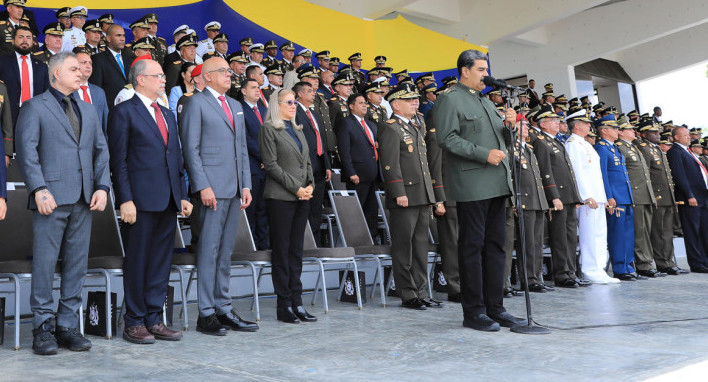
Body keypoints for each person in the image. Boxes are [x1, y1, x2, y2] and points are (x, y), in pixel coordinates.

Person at [16, 52, 110, 355]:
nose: (81, 73)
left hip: (84, 198)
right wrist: (39, 189)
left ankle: (67, 326)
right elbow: (27, 152)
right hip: (51, 199)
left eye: (81, 68)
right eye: (73, 68)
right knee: (45, 264)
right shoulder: (34, 107)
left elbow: (101, 151)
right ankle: (42, 327)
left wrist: (103, 186)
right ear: (55, 73)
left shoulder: (89, 109)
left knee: (76, 265)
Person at [435, 50, 525, 331]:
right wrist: (483, 154)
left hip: (498, 183)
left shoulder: (486, 102)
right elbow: (447, 139)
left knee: (496, 247)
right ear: (465, 70)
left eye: (486, 70)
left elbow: (503, 142)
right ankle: (474, 311)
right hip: (472, 185)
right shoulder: (449, 99)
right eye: (481, 70)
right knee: (472, 247)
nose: (486, 75)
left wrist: (509, 126)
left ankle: (495, 307)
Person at [108, 58, 192, 344]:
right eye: (158, 75)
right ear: (141, 79)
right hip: (139, 202)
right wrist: (125, 200)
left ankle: (155, 319)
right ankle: (133, 321)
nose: (164, 80)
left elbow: (175, 158)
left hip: (167, 200)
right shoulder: (124, 112)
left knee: (160, 262)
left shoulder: (167, 114)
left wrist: (181, 195)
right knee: (138, 262)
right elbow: (118, 161)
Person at [180, 57, 259, 335]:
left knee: (225, 252)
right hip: (210, 190)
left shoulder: (235, 105)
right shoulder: (195, 103)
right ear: (208, 76)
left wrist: (245, 185)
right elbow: (191, 149)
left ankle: (224, 308)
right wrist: (202, 186)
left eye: (229, 71)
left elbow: (241, 151)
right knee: (209, 251)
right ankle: (206, 313)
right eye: (224, 71)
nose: (229, 75)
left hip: (233, 189)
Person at [379, 82, 439, 310]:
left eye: (416, 98)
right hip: (405, 196)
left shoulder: (416, 126)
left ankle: (422, 291)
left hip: (422, 195)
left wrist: (431, 194)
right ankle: (407, 294)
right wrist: (398, 192)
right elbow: (390, 165)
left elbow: (424, 165)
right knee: (404, 247)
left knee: (421, 246)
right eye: (409, 99)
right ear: (395, 103)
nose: (415, 102)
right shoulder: (390, 127)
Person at [258, 88, 317, 323]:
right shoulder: (269, 129)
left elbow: (307, 162)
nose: (293, 105)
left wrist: (310, 185)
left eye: (295, 102)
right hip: (281, 198)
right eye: (289, 102)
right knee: (282, 252)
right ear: (277, 104)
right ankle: (284, 305)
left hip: (302, 197)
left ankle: (297, 301)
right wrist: (296, 188)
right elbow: (271, 165)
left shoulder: (298, 129)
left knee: (296, 251)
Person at [564, 110, 619, 284]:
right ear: (577, 125)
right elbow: (577, 172)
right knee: (589, 236)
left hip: (598, 196)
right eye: (586, 123)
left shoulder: (585, 144)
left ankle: (599, 269)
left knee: (599, 234)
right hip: (589, 198)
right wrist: (585, 196)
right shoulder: (572, 144)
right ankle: (589, 270)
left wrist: (601, 196)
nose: (590, 125)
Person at [532, 109, 586, 288]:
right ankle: (562, 274)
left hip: (568, 196)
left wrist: (576, 196)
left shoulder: (556, 142)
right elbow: (545, 172)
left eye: (557, 120)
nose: (557, 122)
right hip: (558, 197)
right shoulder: (541, 142)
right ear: (542, 124)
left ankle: (571, 271)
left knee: (571, 236)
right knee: (560, 237)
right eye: (552, 120)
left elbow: (568, 172)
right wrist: (553, 196)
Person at [636, 121, 688, 275]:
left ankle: (668, 261)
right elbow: (646, 176)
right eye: (653, 132)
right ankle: (661, 262)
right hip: (657, 196)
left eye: (657, 132)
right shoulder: (644, 149)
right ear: (643, 134)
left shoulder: (656, 148)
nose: (658, 134)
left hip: (667, 196)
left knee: (667, 232)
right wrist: (652, 196)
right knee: (659, 232)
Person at [616, 120, 664, 277]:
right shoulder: (620, 147)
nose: (633, 131)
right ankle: (643, 264)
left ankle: (648, 262)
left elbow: (645, 175)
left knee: (646, 231)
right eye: (628, 129)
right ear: (621, 132)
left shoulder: (633, 147)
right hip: (635, 195)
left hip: (644, 195)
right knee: (639, 232)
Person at [595, 116, 638, 280]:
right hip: (615, 198)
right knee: (618, 235)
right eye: (614, 128)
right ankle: (620, 268)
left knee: (627, 233)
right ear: (604, 130)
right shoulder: (602, 148)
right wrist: (609, 197)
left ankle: (628, 265)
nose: (617, 131)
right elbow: (603, 175)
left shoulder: (613, 148)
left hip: (625, 197)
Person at [335, 93, 379, 238]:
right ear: (351, 106)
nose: (365, 105)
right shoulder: (346, 122)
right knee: (357, 210)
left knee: (372, 211)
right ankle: (357, 241)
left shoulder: (371, 124)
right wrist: (350, 172)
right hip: (357, 175)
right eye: (360, 103)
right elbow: (344, 150)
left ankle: (371, 242)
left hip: (373, 174)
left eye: (365, 103)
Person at [294, 81, 331, 245]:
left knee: (316, 208)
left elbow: (321, 140)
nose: (313, 93)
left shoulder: (314, 114)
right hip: (305, 166)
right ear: (299, 94)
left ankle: (315, 243)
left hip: (320, 166)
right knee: (304, 207)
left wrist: (327, 164)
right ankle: (303, 243)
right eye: (309, 91)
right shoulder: (295, 112)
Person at [666, 126, 708, 273]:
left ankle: (705, 260)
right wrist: (689, 195)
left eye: (689, 135)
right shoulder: (675, 152)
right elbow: (679, 176)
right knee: (693, 231)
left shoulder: (688, 152)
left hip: (702, 196)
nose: (689, 137)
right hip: (691, 198)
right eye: (685, 135)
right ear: (676, 137)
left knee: (704, 230)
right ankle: (697, 263)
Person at [240, 78, 270, 250]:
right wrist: (264, 157)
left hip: (266, 168)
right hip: (252, 167)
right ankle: (250, 249)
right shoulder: (240, 109)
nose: (257, 90)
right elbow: (246, 139)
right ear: (243, 91)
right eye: (253, 88)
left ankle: (263, 247)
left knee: (263, 210)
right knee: (251, 210)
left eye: (258, 87)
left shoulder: (263, 109)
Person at [0, 25, 49, 129]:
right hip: (8, 117)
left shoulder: (41, 66)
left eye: (28, 37)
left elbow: (46, 93)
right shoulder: (2, 62)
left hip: (35, 117)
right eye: (21, 37)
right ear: (13, 41)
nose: (25, 40)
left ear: (33, 42)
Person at [89, 23, 130, 107]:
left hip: (130, 109)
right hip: (110, 110)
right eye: (118, 35)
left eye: (123, 35)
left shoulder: (129, 58)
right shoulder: (98, 59)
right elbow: (96, 89)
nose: (122, 39)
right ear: (108, 38)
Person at [72, 48, 109, 136]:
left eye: (90, 63)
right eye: (84, 63)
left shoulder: (99, 92)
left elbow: (105, 124)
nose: (88, 66)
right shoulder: (68, 91)